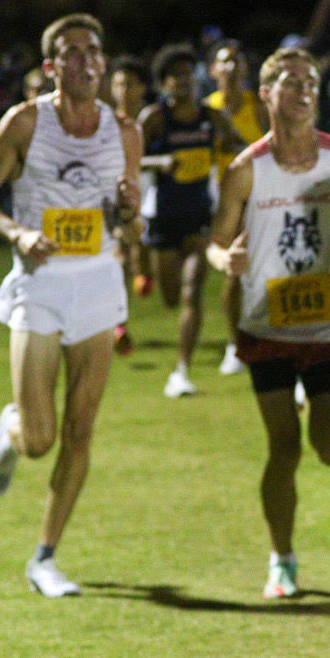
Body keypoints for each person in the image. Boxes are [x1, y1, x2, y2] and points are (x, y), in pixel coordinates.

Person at [0, 13, 143, 597]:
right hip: (39, 284)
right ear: (51, 66)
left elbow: (129, 226)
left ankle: (44, 558)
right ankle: (10, 428)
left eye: (95, 51)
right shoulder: (26, 122)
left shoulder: (126, 132)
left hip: (97, 285)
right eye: (73, 52)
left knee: (80, 431)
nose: (87, 61)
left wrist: (131, 212)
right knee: (40, 438)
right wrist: (16, 233)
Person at [207, 45, 330, 598]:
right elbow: (215, 244)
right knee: (283, 449)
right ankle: (281, 558)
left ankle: (315, 400)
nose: (305, 90)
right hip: (266, 328)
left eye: (311, 81)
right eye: (290, 82)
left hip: (327, 327)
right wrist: (226, 261)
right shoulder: (246, 170)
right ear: (266, 95)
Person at [138, 44, 243, 397]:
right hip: (164, 218)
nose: (183, 82)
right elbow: (129, 159)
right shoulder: (154, 119)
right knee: (169, 297)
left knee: (191, 290)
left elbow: (238, 145)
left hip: (200, 215)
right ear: (164, 83)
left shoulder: (211, 118)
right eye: (174, 76)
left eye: (188, 75)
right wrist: (160, 163)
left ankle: (181, 371)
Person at [202, 39, 269, 376]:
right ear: (213, 70)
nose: (230, 68)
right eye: (223, 62)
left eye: (236, 62)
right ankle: (235, 343)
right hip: (224, 201)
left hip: (260, 196)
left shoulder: (255, 105)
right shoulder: (207, 109)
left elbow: (275, 145)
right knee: (233, 272)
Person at [108, 55, 151, 355]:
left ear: (143, 88)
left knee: (144, 258)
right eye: (120, 83)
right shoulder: (105, 123)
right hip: (120, 197)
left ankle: (143, 272)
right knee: (121, 254)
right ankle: (119, 325)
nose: (125, 90)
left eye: (131, 84)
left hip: (153, 195)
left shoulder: (152, 119)